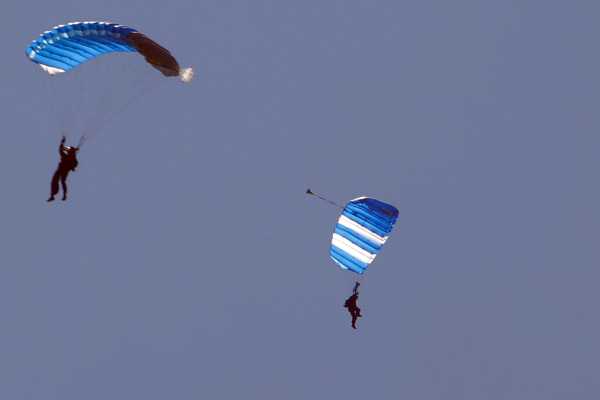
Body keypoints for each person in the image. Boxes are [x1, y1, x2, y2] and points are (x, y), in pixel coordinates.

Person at [47, 136, 79, 202]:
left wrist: (72, 167)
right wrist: (62, 142)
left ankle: (63, 195)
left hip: (63, 171)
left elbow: (75, 165)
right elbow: (60, 149)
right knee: (55, 181)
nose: (68, 151)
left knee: (62, 181)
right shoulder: (68, 156)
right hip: (60, 170)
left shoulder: (72, 158)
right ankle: (52, 195)